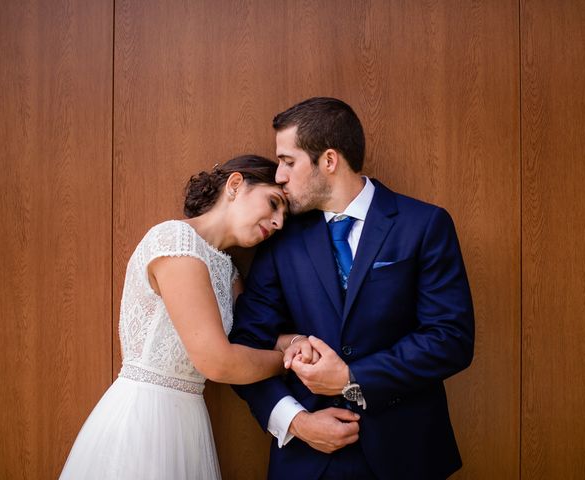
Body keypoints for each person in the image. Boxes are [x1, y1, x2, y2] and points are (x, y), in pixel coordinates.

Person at [230, 98, 475, 479]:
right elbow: (246, 342)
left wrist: (351, 378)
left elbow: (450, 338)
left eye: (288, 161)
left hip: (406, 453)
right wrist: (295, 422)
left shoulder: (424, 225)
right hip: (307, 459)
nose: (278, 175)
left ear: (329, 161)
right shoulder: (281, 239)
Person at [60, 155, 303, 480]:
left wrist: (297, 343)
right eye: (273, 204)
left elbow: (249, 338)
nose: (278, 223)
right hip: (145, 419)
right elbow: (218, 362)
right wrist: (286, 360)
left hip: (189, 421)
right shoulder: (175, 242)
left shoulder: (229, 271)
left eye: (284, 216)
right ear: (235, 185)